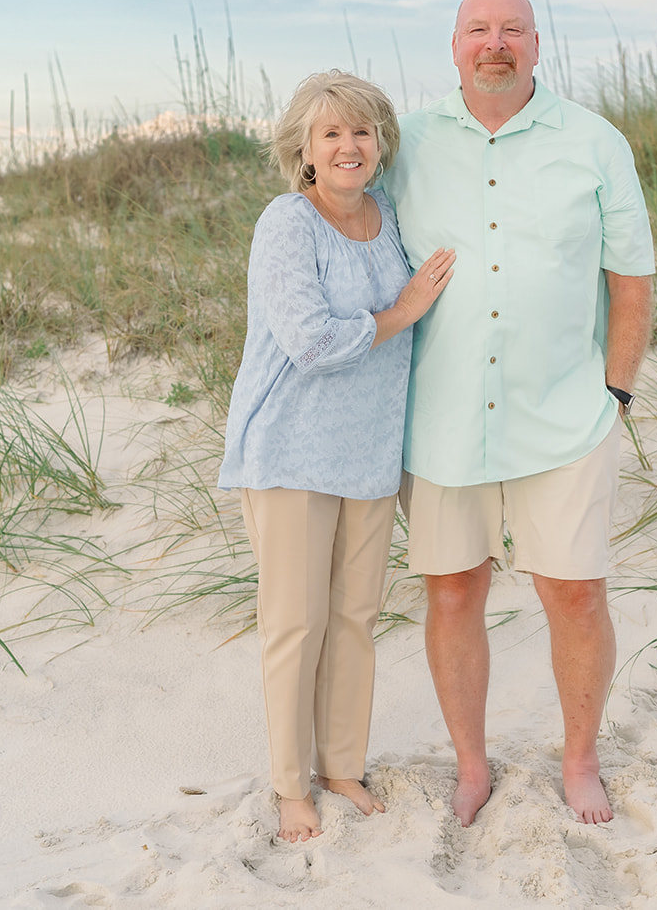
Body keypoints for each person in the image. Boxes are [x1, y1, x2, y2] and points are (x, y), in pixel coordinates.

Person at [385, 0, 655, 827]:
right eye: (477, 29)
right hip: (441, 419)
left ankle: (580, 759)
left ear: (538, 44)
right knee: (454, 593)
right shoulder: (408, 144)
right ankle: (472, 764)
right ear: (453, 46)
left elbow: (632, 278)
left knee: (574, 594)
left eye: (512, 28)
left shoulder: (595, 142)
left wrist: (616, 390)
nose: (494, 42)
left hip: (565, 417)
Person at [218, 70, 456, 842]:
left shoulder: (388, 217)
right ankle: (291, 785)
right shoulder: (288, 221)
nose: (349, 145)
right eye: (331, 134)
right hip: (291, 449)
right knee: (297, 621)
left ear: (381, 144)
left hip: (369, 451)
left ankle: (342, 765)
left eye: (361, 131)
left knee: (355, 617)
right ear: (305, 150)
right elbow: (313, 339)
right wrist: (403, 311)